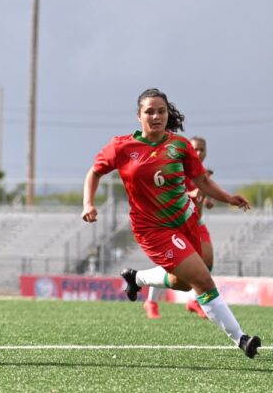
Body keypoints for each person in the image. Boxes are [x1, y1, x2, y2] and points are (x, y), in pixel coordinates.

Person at [81, 88, 261, 358]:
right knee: (202, 280)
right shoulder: (121, 146)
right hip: (153, 229)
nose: (156, 116)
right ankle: (241, 339)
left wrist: (227, 198)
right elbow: (94, 172)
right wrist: (88, 203)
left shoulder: (180, 145)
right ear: (138, 116)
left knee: (184, 283)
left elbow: (201, 181)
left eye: (161, 111)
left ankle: (136, 277)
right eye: (149, 111)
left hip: (186, 222)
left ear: (168, 114)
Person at [142, 136, 214, 319]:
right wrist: (193, 193)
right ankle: (150, 301)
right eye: (195, 148)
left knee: (207, 261)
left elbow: (207, 197)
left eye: (202, 149)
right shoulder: (178, 167)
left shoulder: (202, 172)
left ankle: (195, 301)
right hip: (177, 222)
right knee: (171, 266)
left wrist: (208, 198)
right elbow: (173, 192)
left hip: (197, 223)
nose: (198, 153)